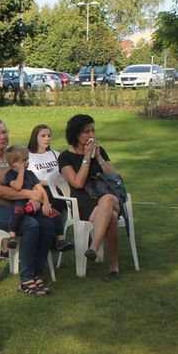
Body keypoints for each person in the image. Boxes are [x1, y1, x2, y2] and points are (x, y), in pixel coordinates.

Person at [0, 118, 56, 295]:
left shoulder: (10, 156)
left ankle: (37, 274)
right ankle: (26, 280)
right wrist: (30, 195)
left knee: (47, 224)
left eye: (4, 132)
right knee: (31, 225)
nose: (2, 136)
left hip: (14, 206)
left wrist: (36, 197)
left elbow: (27, 178)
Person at [58, 114, 122, 279]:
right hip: (84, 201)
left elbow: (115, 177)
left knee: (108, 199)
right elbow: (78, 183)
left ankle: (94, 246)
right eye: (87, 132)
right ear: (76, 134)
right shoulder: (65, 157)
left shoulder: (100, 151)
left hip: (107, 193)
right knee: (112, 217)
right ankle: (113, 265)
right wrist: (86, 158)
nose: (91, 135)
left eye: (93, 131)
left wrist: (99, 157)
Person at [4, 145, 70, 252]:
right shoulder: (10, 175)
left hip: (35, 202)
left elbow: (41, 190)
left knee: (55, 214)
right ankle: (12, 236)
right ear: (13, 163)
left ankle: (60, 240)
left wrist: (46, 203)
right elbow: (17, 186)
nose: (27, 162)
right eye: (24, 160)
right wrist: (21, 172)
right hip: (20, 201)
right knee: (18, 211)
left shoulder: (30, 174)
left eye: (27, 159)